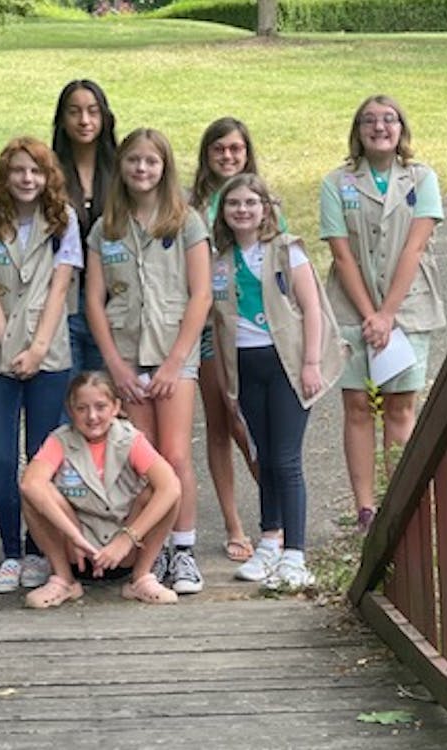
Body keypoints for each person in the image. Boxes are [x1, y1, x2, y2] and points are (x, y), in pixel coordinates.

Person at [85, 128, 212, 594]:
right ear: (121, 167)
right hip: (129, 357)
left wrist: (176, 362)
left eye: (151, 162)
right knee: (145, 459)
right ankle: (152, 554)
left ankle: (184, 551)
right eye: (133, 161)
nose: (142, 169)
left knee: (175, 456)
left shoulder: (185, 221)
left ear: (164, 167)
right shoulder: (107, 228)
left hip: (173, 357)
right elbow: (95, 302)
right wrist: (115, 366)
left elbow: (200, 295)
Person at [0, 136, 82, 593]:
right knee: (5, 456)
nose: (26, 179)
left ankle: (38, 549)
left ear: (48, 176)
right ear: (4, 176)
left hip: (48, 355)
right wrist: (12, 348)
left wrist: (37, 349)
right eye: (17, 171)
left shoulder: (62, 220)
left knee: (43, 456)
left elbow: (59, 289)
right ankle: (10, 551)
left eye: (35, 171)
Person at [319, 94, 445, 533]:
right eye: (369, 120)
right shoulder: (337, 183)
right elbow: (341, 254)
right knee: (357, 404)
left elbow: (415, 246)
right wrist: (370, 314)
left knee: (400, 405)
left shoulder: (422, 178)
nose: (379, 127)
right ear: (357, 130)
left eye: (388, 119)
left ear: (401, 128)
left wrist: (388, 314)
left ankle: (399, 504)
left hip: (408, 308)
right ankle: (367, 510)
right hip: (352, 306)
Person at [212, 173, 345, 587]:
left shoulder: (286, 252)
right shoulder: (220, 260)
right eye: (233, 203)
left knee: (286, 458)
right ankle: (269, 540)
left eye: (251, 203)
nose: (242, 210)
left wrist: (310, 363)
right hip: (245, 364)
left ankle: (295, 554)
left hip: (285, 363)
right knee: (262, 455)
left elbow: (313, 308)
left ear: (266, 209)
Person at [19, 371, 181, 607]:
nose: (92, 416)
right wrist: (75, 536)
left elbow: (171, 487)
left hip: (125, 550)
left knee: (165, 493)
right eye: (82, 408)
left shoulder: (130, 439)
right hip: (76, 550)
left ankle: (141, 577)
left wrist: (126, 540)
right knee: (34, 493)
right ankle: (64, 579)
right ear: (70, 410)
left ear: (116, 407)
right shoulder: (60, 440)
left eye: (100, 407)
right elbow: (30, 484)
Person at [189, 116, 270, 564]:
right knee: (222, 424)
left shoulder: (262, 197)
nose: (227, 156)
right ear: (207, 154)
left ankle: (274, 517)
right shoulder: (193, 205)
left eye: (236, 148)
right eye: (219, 148)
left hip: (256, 332)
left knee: (254, 428)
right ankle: (234, 524)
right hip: (209, 331)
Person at [51, 80, 118, 377]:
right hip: (64, 303)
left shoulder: (121, 170)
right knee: (70, 403)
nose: (84, 121)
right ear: (62, 120)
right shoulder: (47, 171)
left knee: (109, 402)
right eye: (74, 112)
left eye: (93, 111)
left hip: (114, 303)